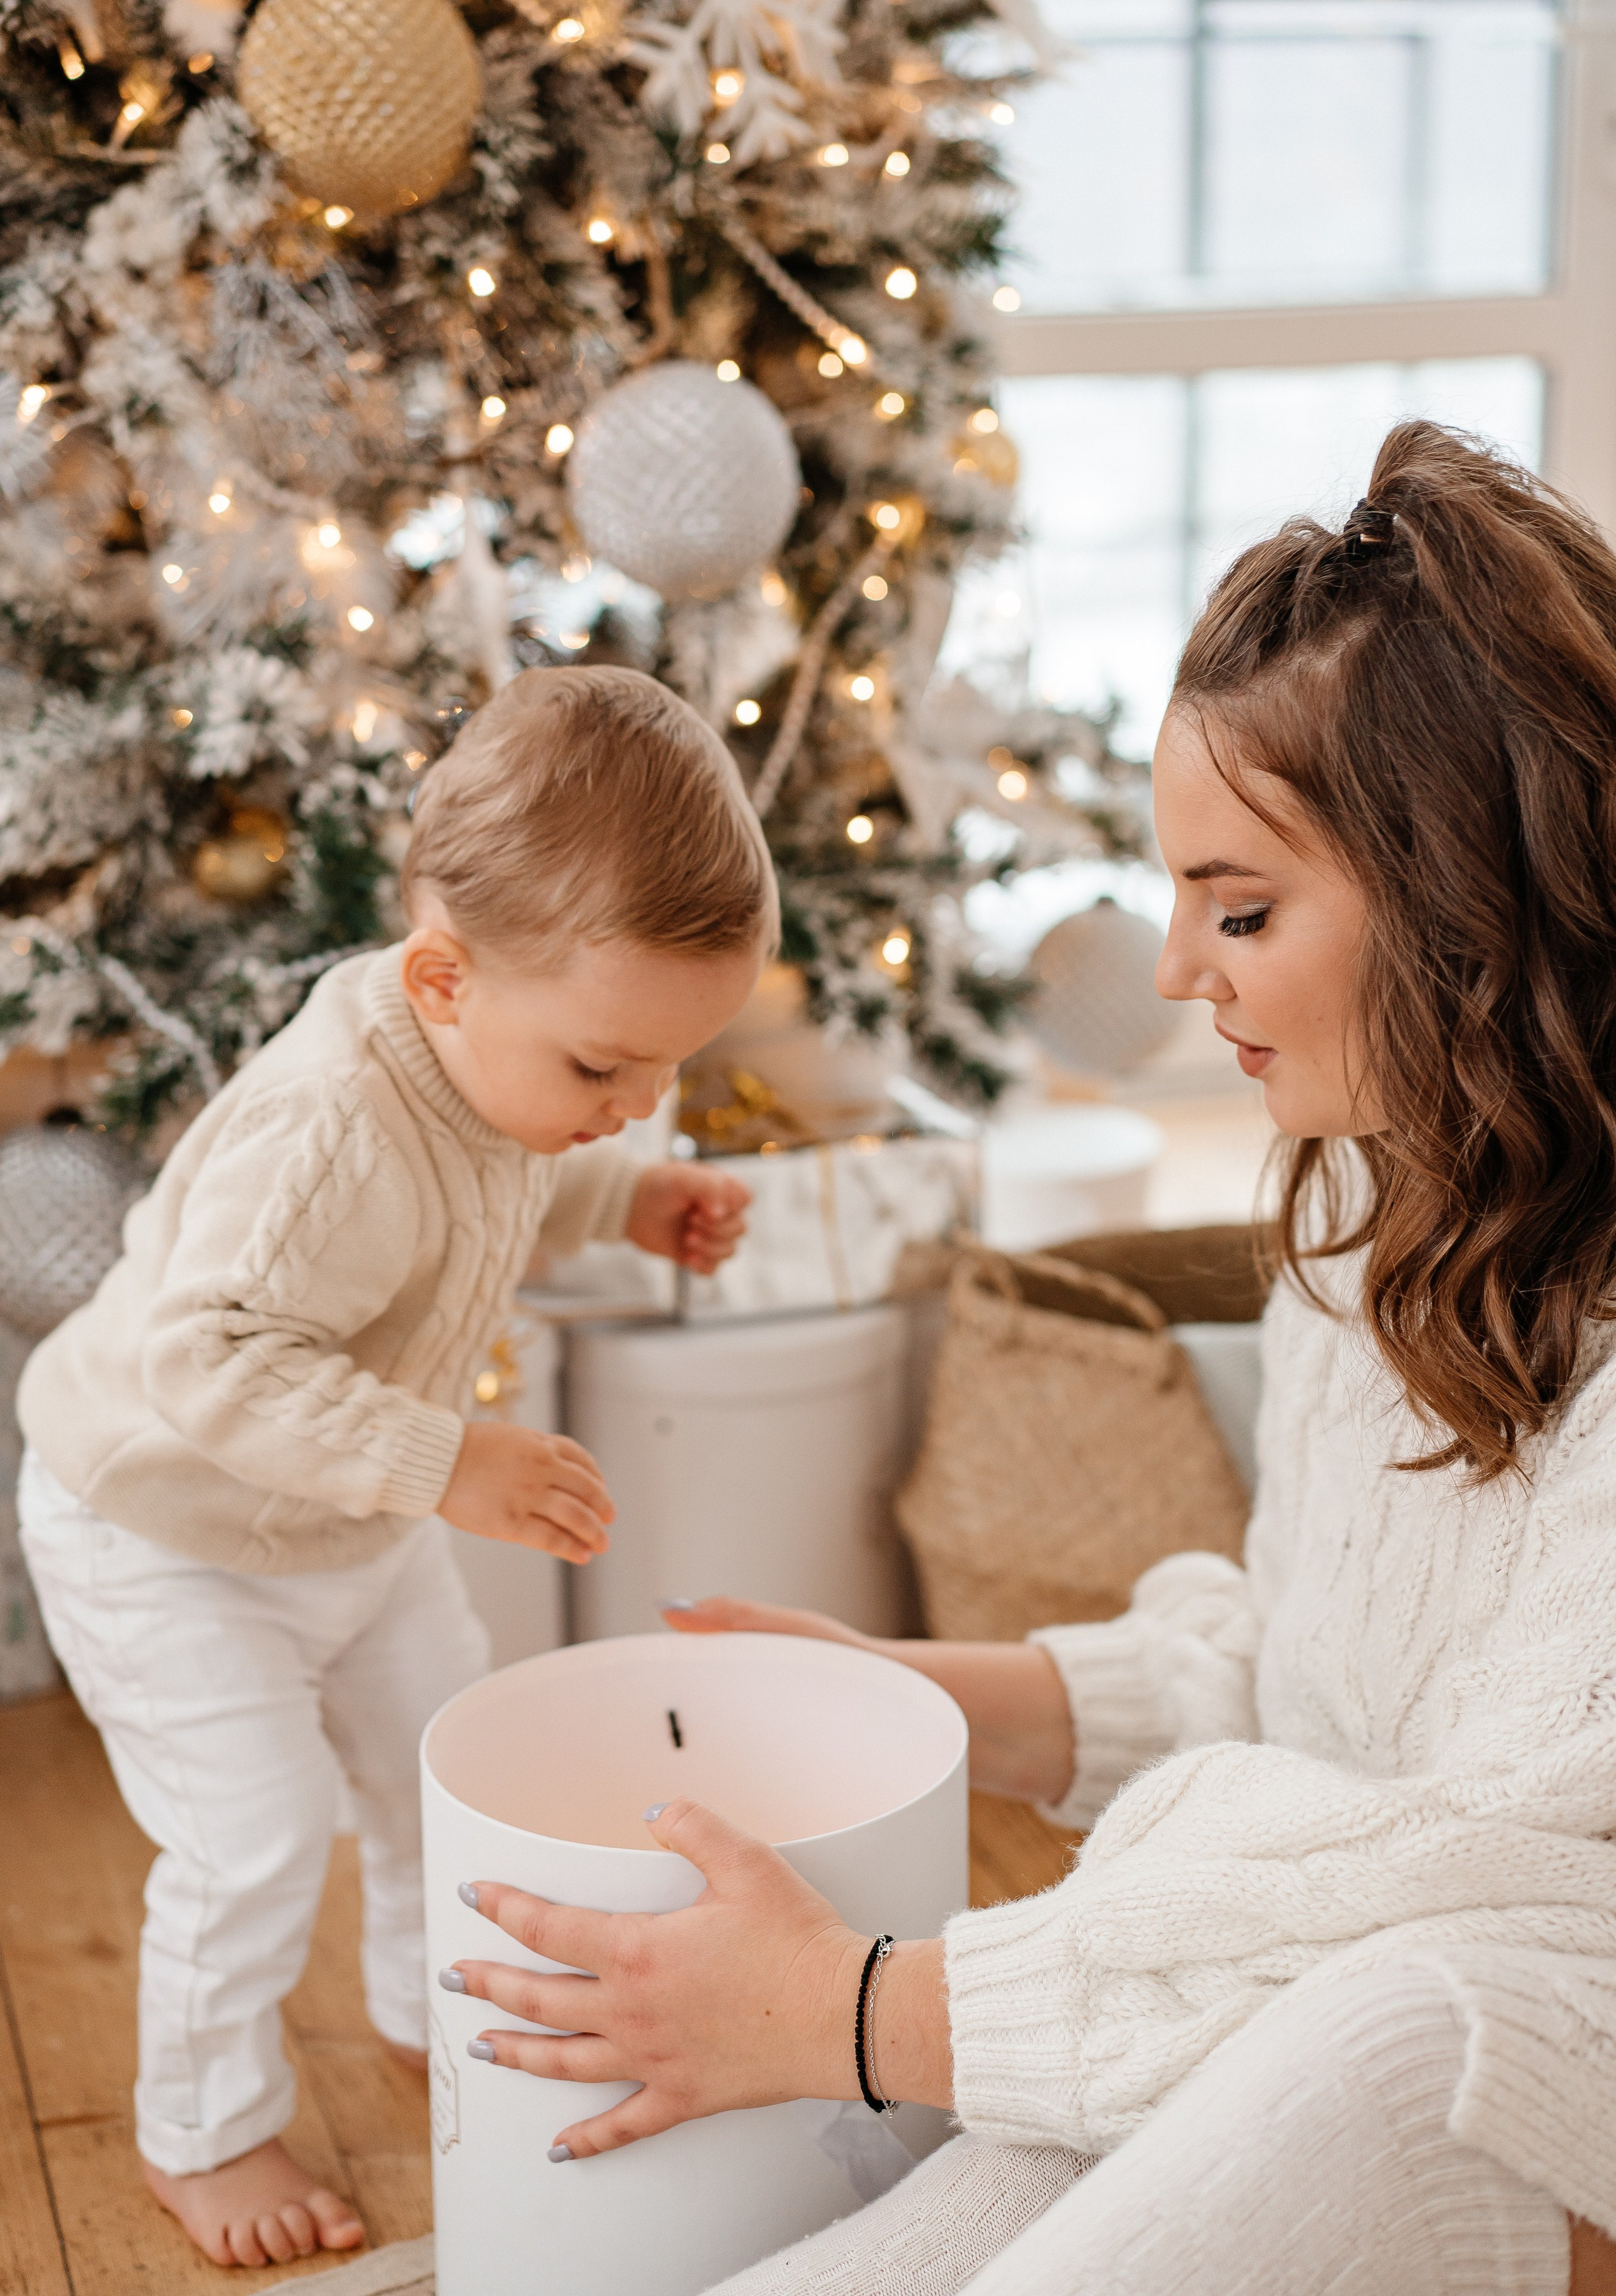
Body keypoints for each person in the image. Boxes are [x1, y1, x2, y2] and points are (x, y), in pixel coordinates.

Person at [439, 428, 1616, 2296]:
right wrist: (918, 1695)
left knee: (1395, 2019)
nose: (1172, 971)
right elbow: (1308, 1686)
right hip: (1354, 1968)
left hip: (1526, 2057)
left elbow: (1515, 1871)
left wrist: (866, 2012)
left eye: (1240, 909)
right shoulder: (1368, 1219)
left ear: (1470, 900)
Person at [16, 668, 770, 2270]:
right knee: (258, 1831)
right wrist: (447, 1458)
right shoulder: (328, 1127)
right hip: (161, 1524)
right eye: (603, 1073)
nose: (629, 1102)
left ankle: (428, 1998)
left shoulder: (494, 1044)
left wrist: (623, 1190)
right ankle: (204, 2127)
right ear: (437, 978)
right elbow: (208, 1359)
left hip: (337, 1512)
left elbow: (504, 1171)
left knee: (447, 1758)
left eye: (658, 1073)